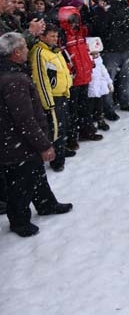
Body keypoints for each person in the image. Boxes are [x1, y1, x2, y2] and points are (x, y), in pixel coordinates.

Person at [0, 32, 72, 237]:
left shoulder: (11, 73)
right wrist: (44, 144)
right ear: (15, 52)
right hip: (16, 142)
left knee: (36, 173)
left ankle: (46, 203)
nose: (27, 50)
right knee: (21, 183)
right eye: (24, 47)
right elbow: (24, 119)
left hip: (16, 140)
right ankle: (19, 221)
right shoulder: (13, 80)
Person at [29, 23, 74, 172]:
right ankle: (57, 159)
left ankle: (61, 149)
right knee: (55, 130)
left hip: (62, 94)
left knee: (63, 125)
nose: (55, 39)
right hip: (52, 98)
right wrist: (48, 103)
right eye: (52, 36)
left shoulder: (54, 50)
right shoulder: (39, 53)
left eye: (56, 36)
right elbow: (41, 80)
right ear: (42, 37)